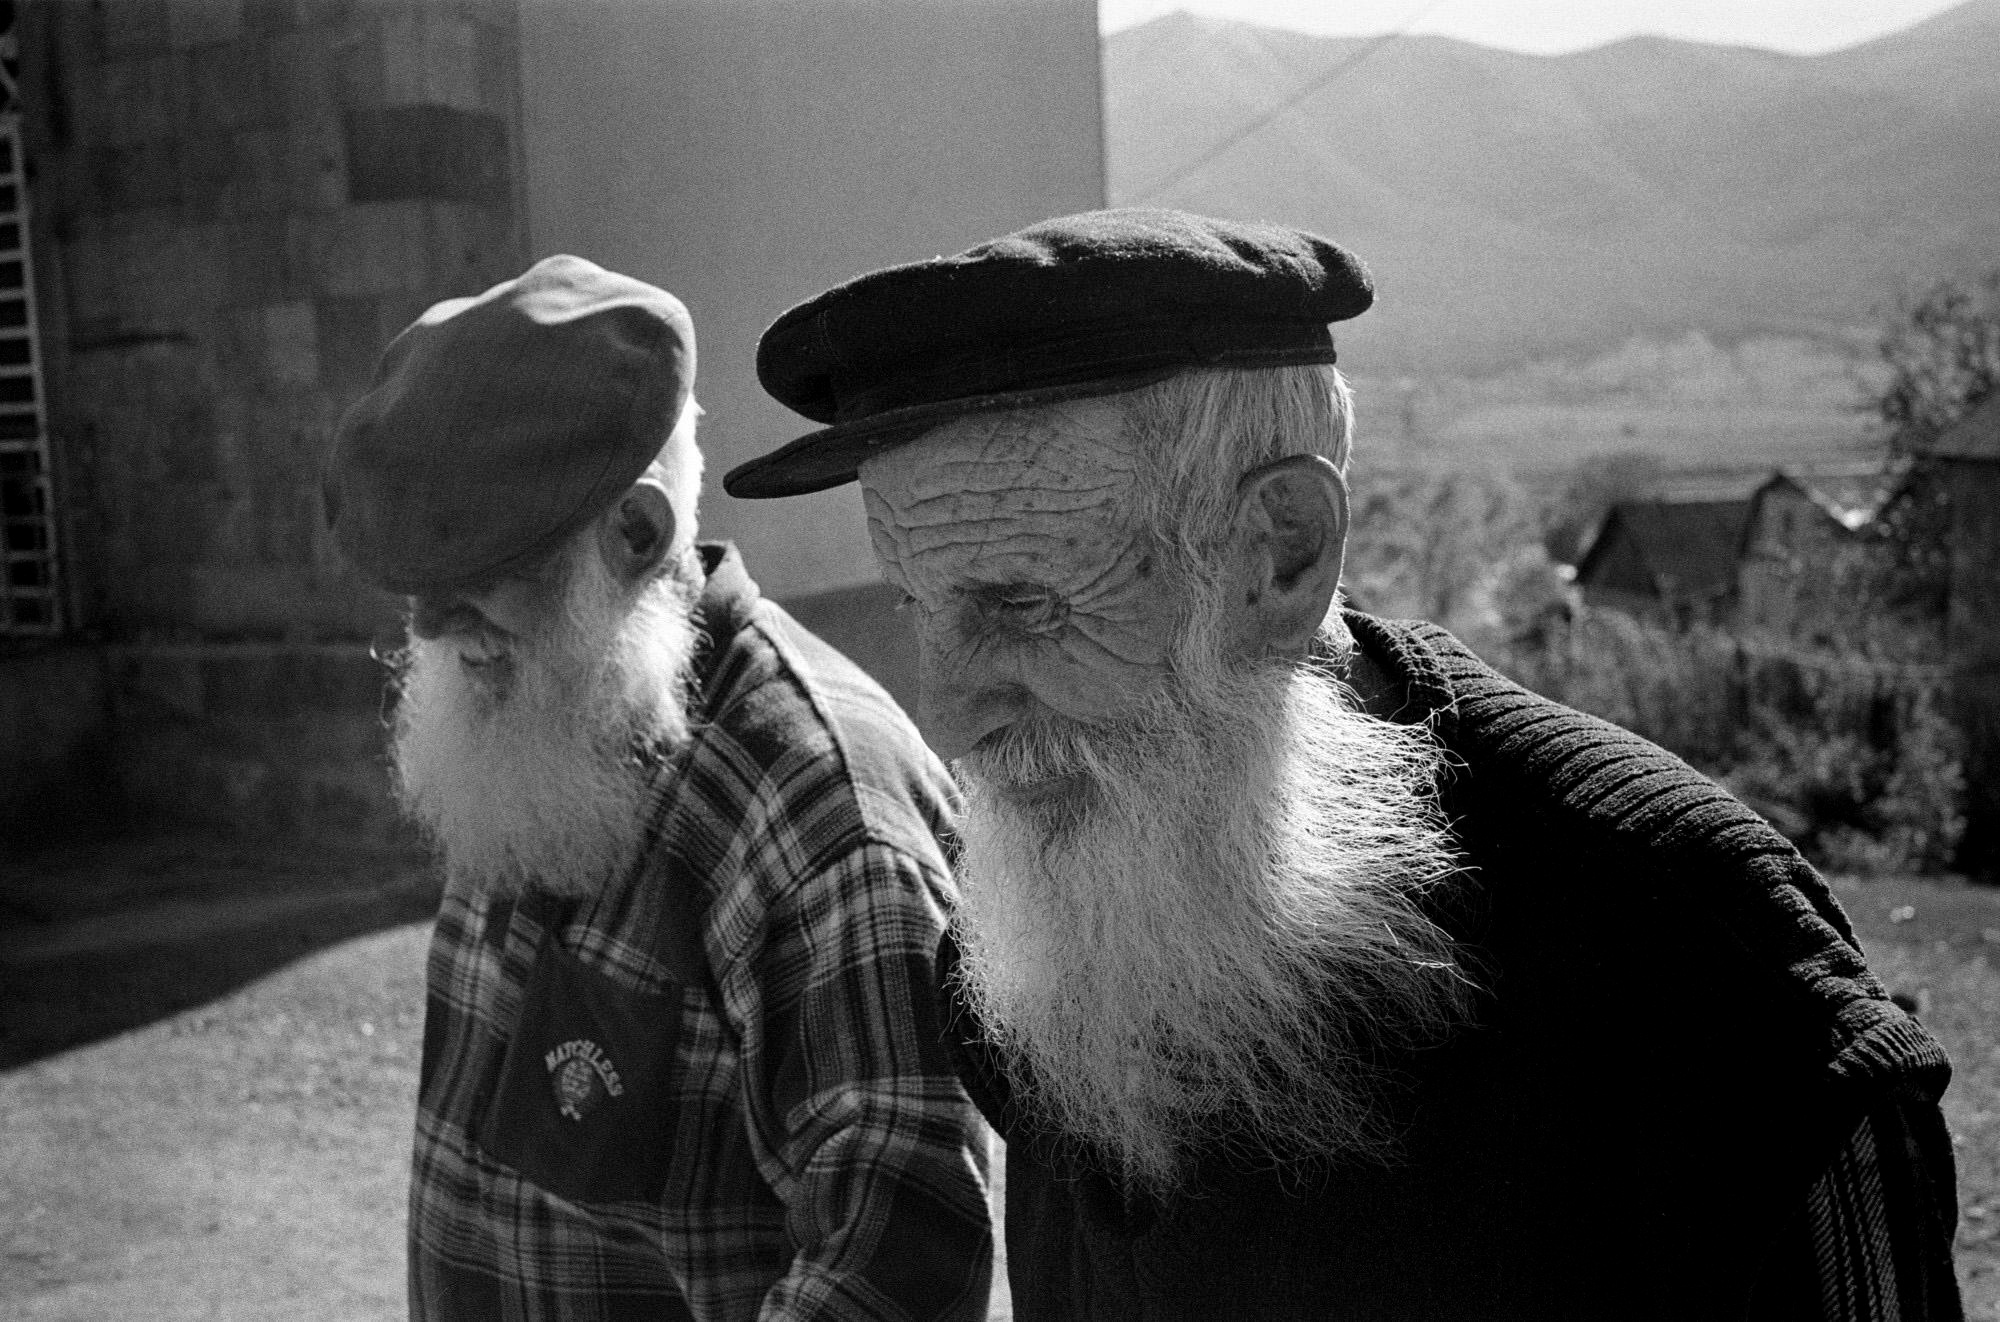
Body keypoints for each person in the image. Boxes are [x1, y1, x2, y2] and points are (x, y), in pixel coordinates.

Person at [723, 210, 1964, 1319]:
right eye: (921, 608)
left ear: (1279, 554)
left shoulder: (1699, 985)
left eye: (1024, 605)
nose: (948, 715)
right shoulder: (1055, 911)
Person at [322, 255, 993, 1321]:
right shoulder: (535, 712)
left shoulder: (822, 818)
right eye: (414, 588)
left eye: (478, 574)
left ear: (636, 533)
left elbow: (895, 1276)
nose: (433, 633)